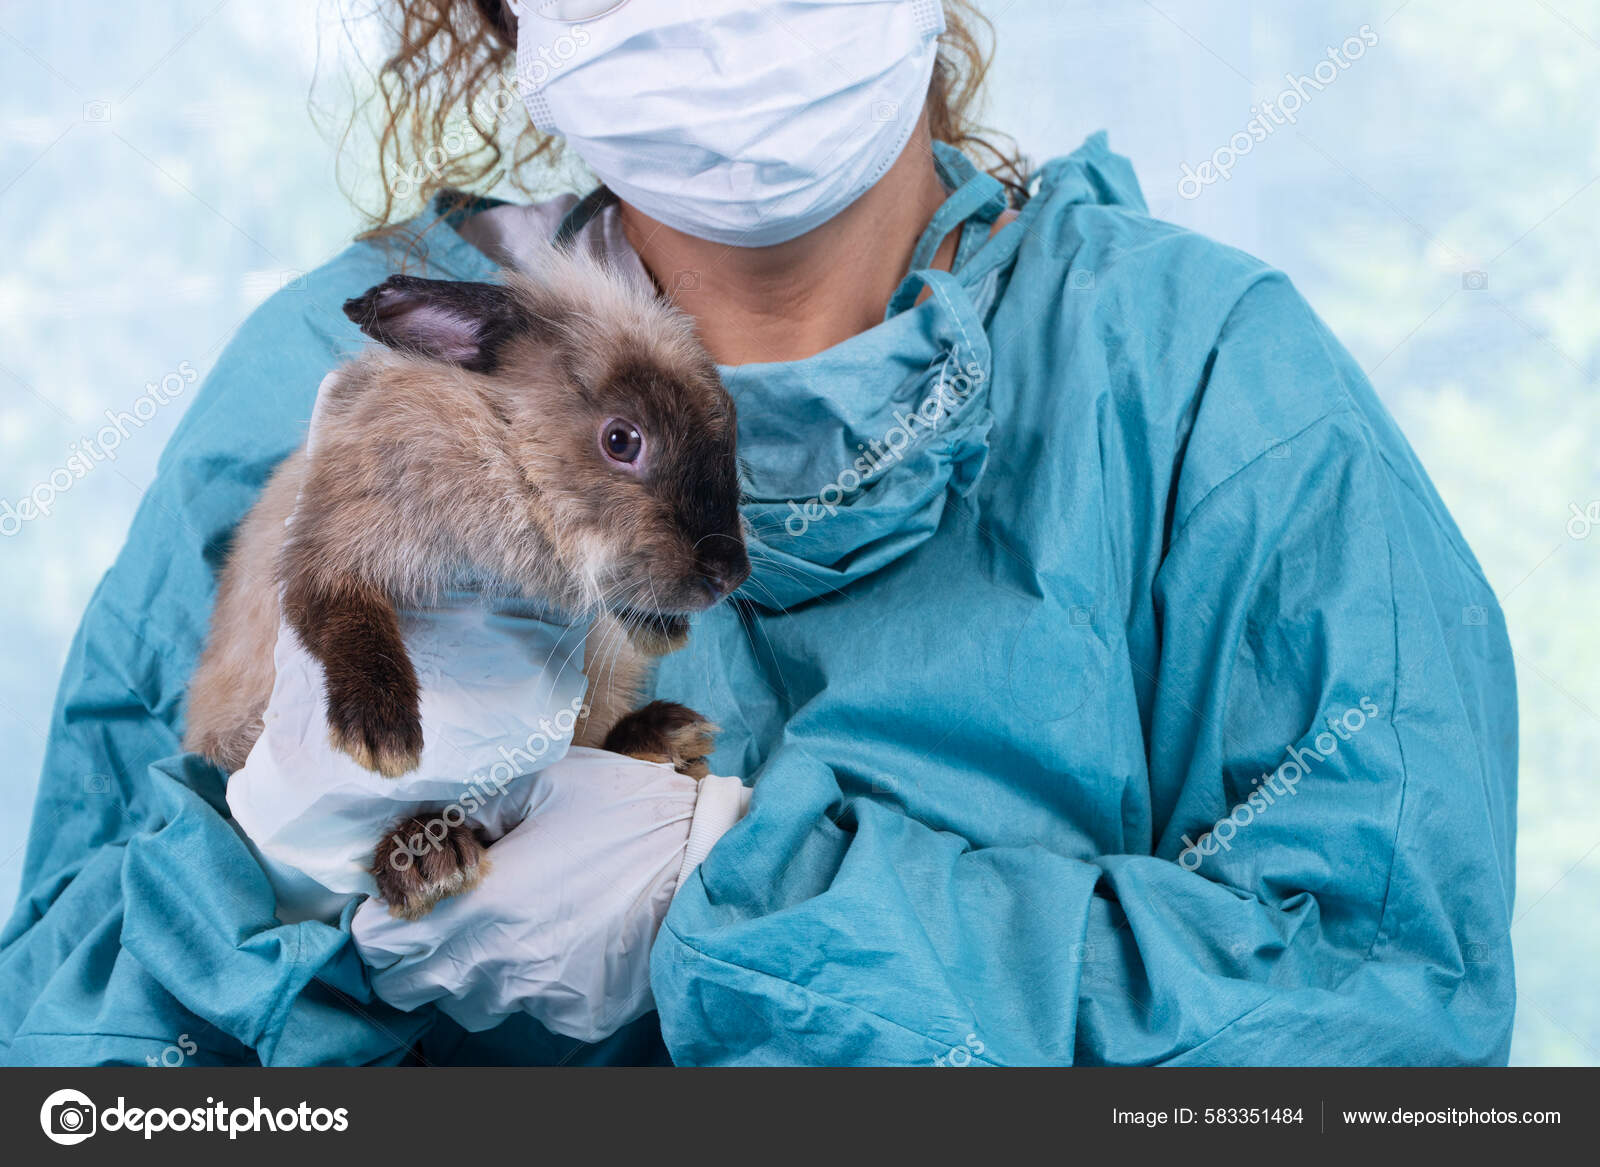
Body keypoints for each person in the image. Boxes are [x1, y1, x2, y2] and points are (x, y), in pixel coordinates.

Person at [0, 0, 1516, 1067]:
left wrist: (731, 900)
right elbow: (70, 1073)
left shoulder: (1204, 385)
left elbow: (1388, 1046)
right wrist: (282, 893)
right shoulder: (337, 381)